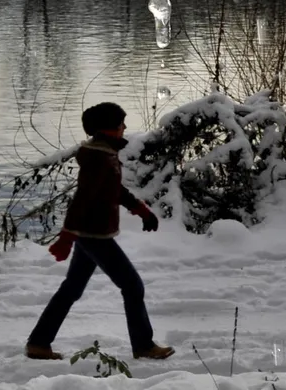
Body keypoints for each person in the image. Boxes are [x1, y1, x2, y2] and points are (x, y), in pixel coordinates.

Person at [25, 102, 175, 361]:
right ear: (107, 129)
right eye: (120, 124)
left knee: (71, 289)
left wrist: (141, 209)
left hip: (92, 233)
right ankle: (143, 345)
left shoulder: (105, 153)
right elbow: (82, 199)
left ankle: (38, 343)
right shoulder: (98, 159)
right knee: (132, 286)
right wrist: (66, 237)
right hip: (94, 235)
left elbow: (113, 190)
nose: (124, 128)